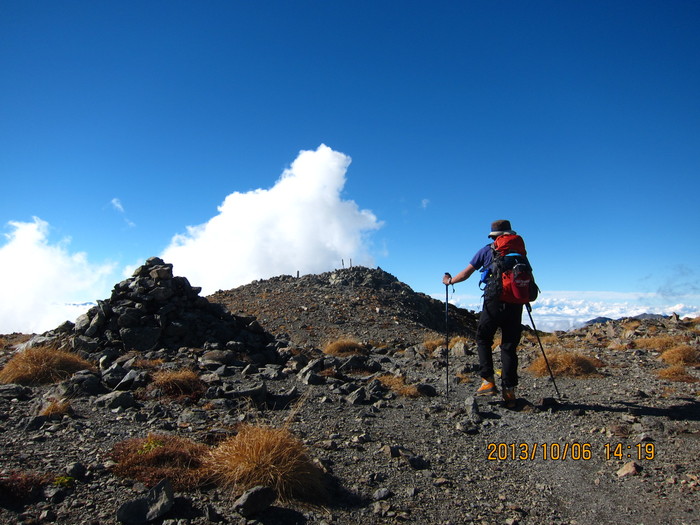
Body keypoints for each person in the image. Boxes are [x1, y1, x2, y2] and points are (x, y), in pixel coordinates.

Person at [442, 220, 527, 408]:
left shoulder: (487, 250)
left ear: (494, 236)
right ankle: (509, 391)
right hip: (516, 302)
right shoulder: (520, 252)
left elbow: (466, 274)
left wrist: (449, 282)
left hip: (494, 301)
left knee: (483, 338)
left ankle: (488, 380)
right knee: (509, 346)